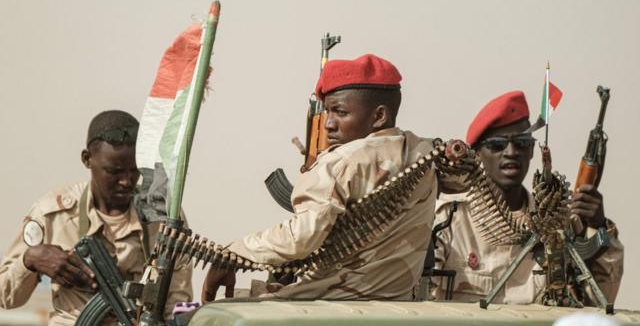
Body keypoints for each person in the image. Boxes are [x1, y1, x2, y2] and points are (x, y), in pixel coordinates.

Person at [202, 54, 447, 302]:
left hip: (329, 300)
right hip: (396, 302)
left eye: (340, 112)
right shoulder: (424, 154)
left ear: (379, 116)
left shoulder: (342, 162)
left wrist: (233, 254)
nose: (329, 124)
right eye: (328, 112)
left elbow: (301, 238)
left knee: (204, 315)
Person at [0, 110, 193, 325]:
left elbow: (178, 300)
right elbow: (5, 296)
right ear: (87, 159)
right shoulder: (52, 215)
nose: (126, 181)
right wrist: (31, 259)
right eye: (114, 171)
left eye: (134, 170)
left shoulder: (162, 218)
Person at [432, 91, 623, 304]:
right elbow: (423, 301)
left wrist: (599, 228)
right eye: (497, 145)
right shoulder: (449, 218)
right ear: (477, 154)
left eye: (522, 143)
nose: (511, 152)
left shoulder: (559, 221)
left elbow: (600, 302)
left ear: (532, 151)